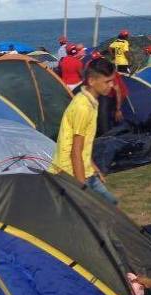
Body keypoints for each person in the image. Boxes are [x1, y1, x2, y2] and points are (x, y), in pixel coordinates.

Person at [52, 58, 118, 205]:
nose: (112, 85)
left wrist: (94, 168)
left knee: (111, 204)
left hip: (86, 170)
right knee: (96, 210)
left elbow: (84, 146)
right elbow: (76, 151)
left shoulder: (91, 101)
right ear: (92, 81)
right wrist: (81, 188)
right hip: (70, 172)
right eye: (107, 81)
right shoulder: (82, 107)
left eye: (112, 81)